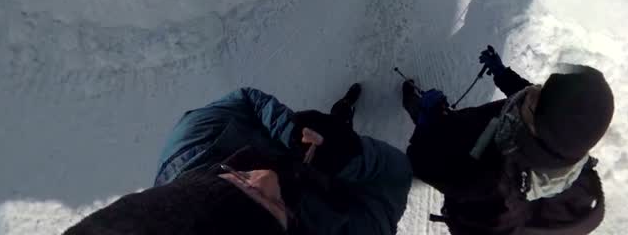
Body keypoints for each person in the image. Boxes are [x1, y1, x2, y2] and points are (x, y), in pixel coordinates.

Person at [63, 83, 412, 235]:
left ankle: (339, 119)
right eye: (272, 204)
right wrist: (354, 158)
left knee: (330, 129)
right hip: (345, 182)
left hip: (314, 140)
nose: (266, 177)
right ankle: (340, 122)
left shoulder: (191, 143)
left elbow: (245, 99)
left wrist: (290, 129)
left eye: (234, 177)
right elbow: (393, 180)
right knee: (337, 137)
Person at [401, 48, 613, 234]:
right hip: (473, 132)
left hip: (459, 162)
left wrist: (426, 125)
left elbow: (420, 161)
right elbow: (546, 106)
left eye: (533, 99)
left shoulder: (487, 181)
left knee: (438, 131)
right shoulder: (566, 148)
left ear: (537, 134)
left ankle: (417, 110)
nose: (530, 91)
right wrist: (503, 75)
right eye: (540, 89)